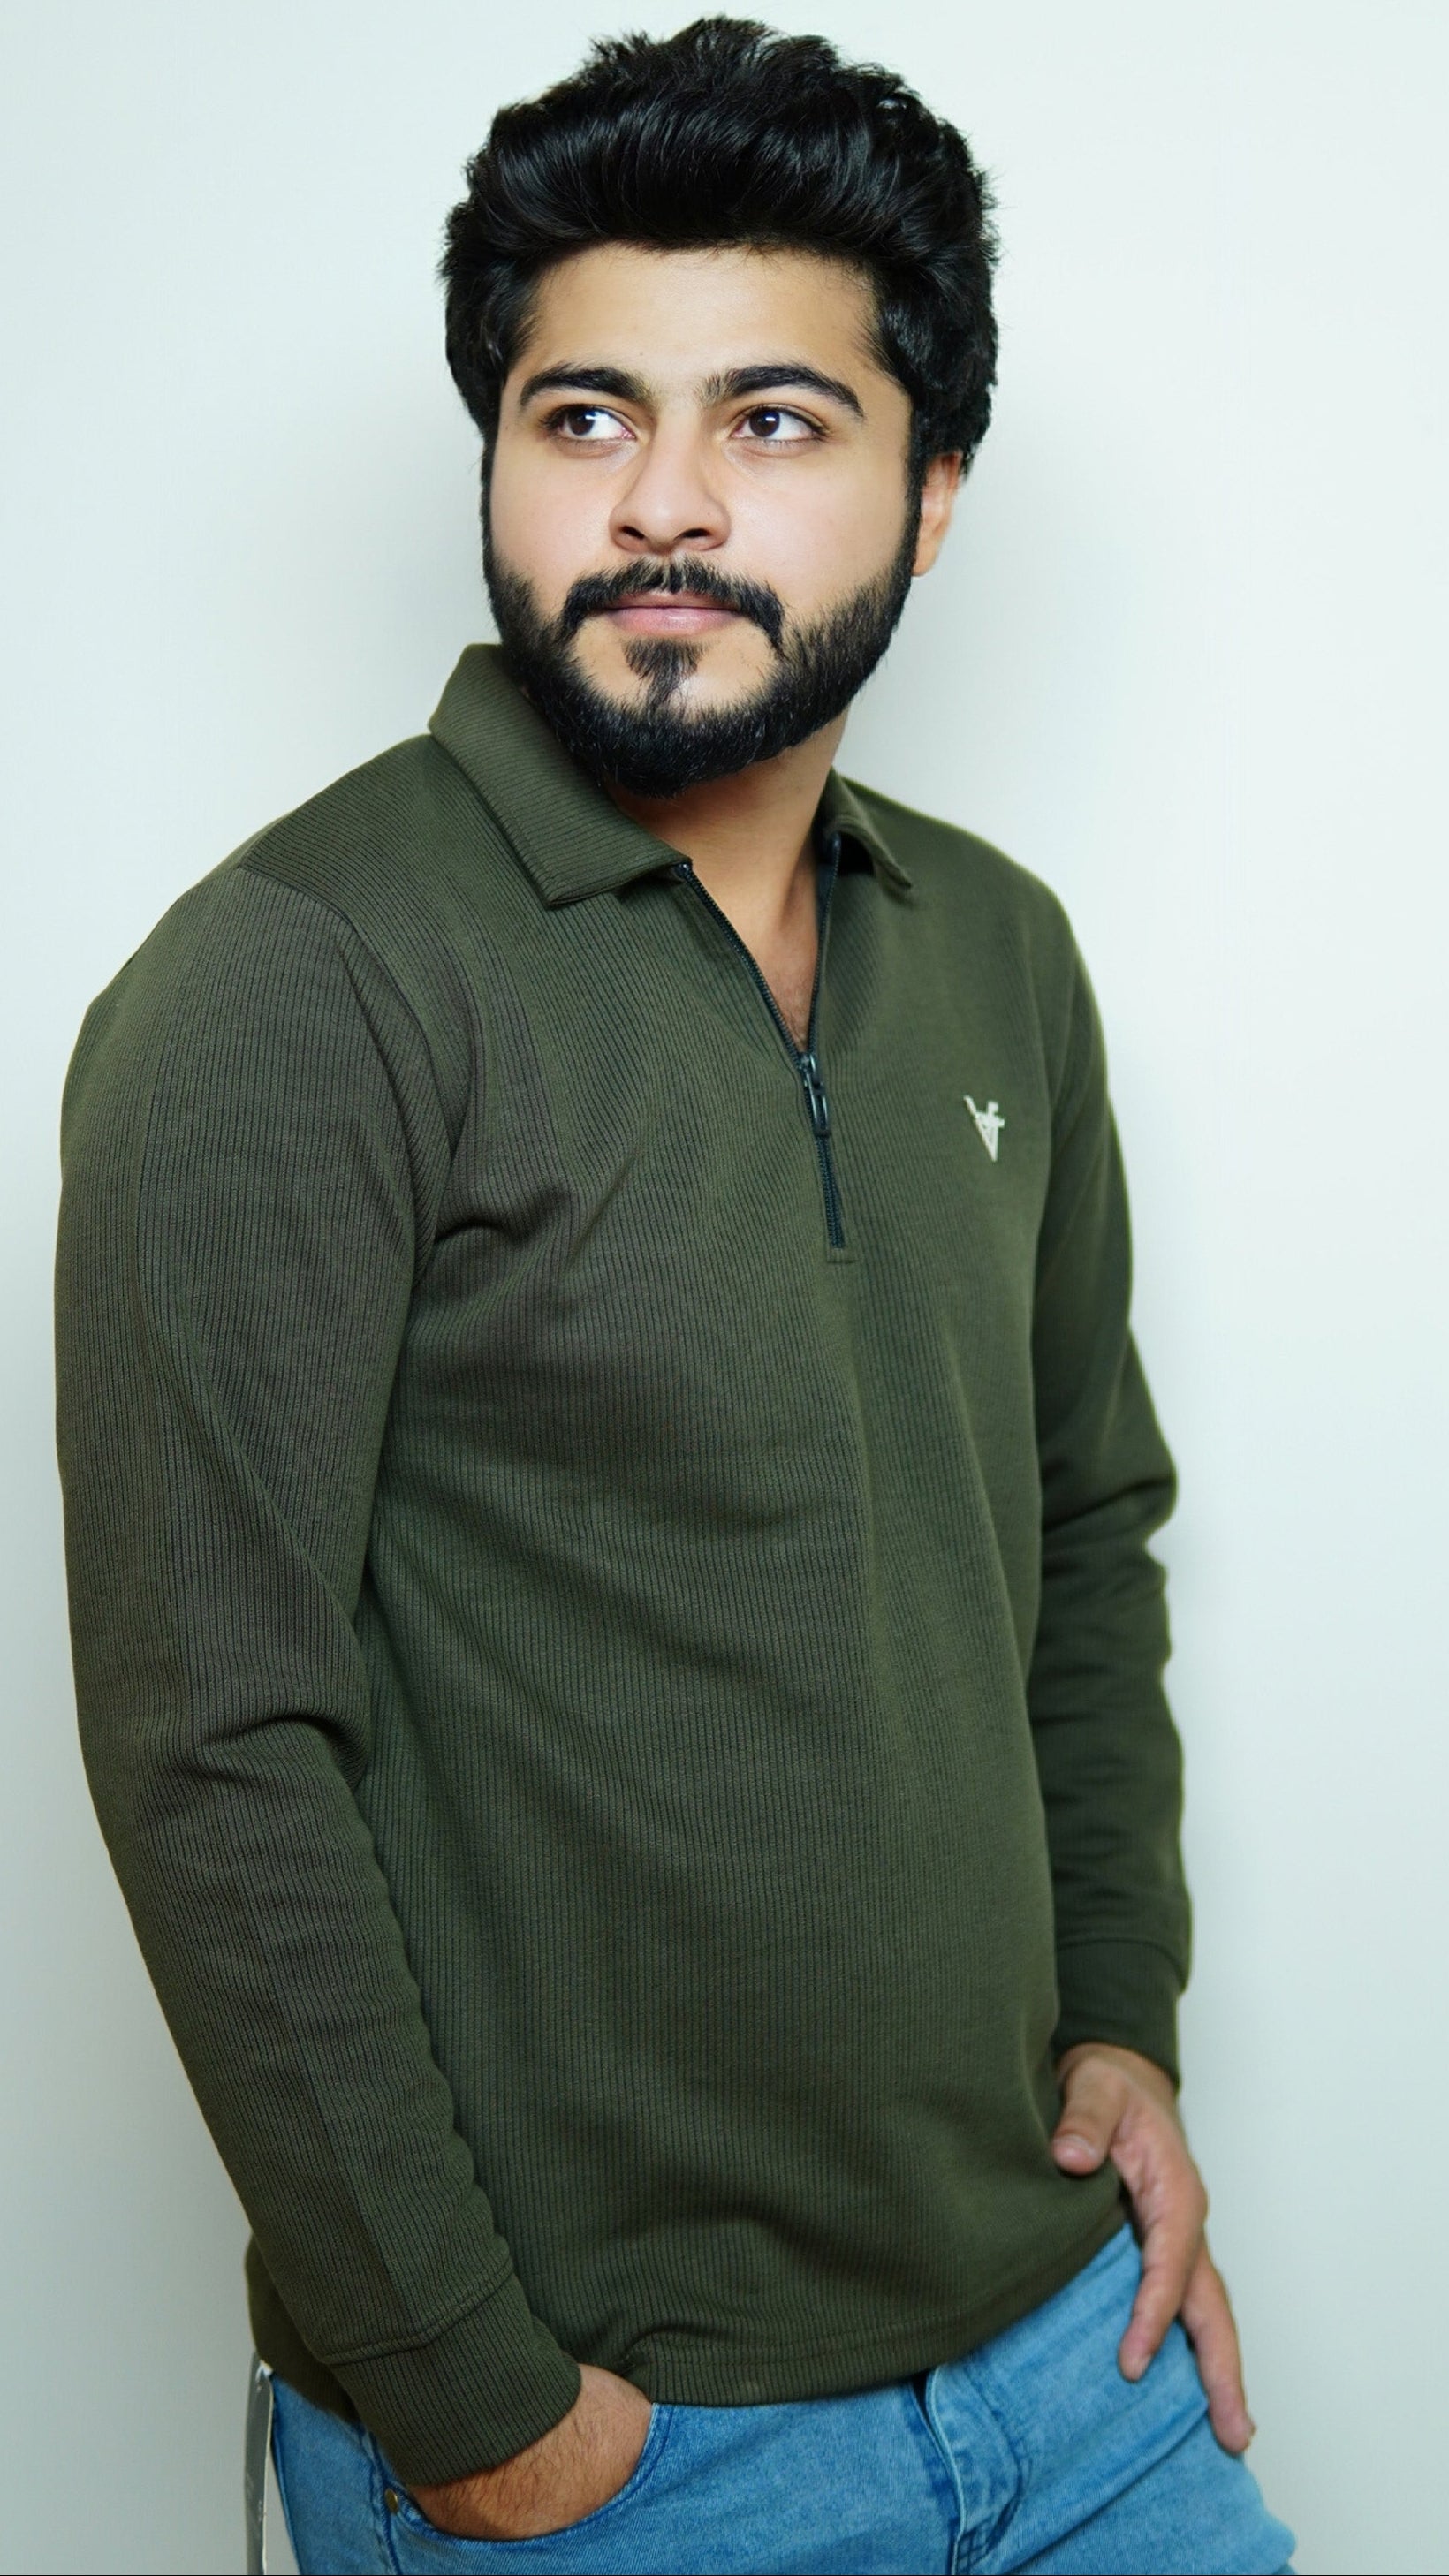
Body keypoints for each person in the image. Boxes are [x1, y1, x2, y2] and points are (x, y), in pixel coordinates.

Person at [54, 20, 1295, 2573]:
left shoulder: (1003, 955)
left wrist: (1125, 2019)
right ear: (498, 454)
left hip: (1077, 2361)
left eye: (777, 421)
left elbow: (1083, 1528)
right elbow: (214, 1740)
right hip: (622, 2458)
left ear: (934, 490)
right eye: (585, 414)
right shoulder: (297, 981)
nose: (663, 504)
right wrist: (473, 2402)